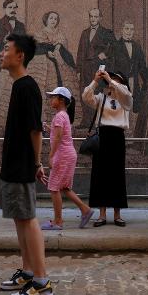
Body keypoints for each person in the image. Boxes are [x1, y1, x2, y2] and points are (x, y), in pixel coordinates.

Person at [0, 33, 53, 295]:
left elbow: (35, 130)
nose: (1, 53)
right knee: (20, 217)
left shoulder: (27, 87)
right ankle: (29, 271)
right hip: (14, 163)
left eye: (6, 49)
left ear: (20, 56)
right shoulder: (19, 86)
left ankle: (42, 283)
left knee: (28, 218)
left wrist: (37, 163)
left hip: (21, 164)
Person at [82, 70, 133, 227]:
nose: (111, 83)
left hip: (117, 137)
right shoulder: (101, 97)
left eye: (116, 80)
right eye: (110, 80)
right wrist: (96, 81)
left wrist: (112, 80)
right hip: (102, 136)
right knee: (100, 175)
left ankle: (117, 214)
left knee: (117, 175)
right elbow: (86, 96)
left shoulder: (125, 99)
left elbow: (126, 95)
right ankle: (102, 214)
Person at [40, 86, 94, 230]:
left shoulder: (59, 116)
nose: (51, 99)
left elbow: (58, 138)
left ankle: (58, 222)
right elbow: (60, 135)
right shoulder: (63, 116)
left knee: (53, 188)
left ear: (62, 100)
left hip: (62, 155)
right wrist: (50, 129)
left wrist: (51, 157)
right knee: (64, 187)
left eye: (53, 97)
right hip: (68, 154)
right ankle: (85, 210)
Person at [27, 11, 79, 124]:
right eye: (51, 18)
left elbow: (62, 45)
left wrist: (57, 48)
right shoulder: (39, 34)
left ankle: (59, 120)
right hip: (43, 66)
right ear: (46, 20)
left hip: (59, 67)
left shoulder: (60, 34)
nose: (53, 21)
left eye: (55, 19)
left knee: (59, 90)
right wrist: (47, 53)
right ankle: (43, 121)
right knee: (44, 90)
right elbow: (36, 48)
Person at [76, 8, 115, 127]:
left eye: (96, 17)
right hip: (85, 68)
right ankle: (86, 121)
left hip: (98, 67)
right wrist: (78, 70)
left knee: (97, 92)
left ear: (100, 18)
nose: (93, 19)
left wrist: (105, 53)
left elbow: (114, 47)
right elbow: (80, 52)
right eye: (91, 17)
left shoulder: (107, 32)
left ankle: (97, 120)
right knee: (85, 92)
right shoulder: (84, 32)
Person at [111, 20, 147, 113]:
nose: (129, 31)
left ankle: (131, 127)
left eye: (131, 29)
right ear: (122, 30)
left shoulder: (137, 46)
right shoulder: (115, 45)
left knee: (132, 107)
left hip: (133, 81)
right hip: (119, 81)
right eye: (127, 29)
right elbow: (110, 65)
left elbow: (142, 66)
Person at [0, 0, 26, 75]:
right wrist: (2, 39)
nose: (13, 10)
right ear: (4, 9)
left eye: (14, 8)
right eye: (10, 7)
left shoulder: (21, 25)